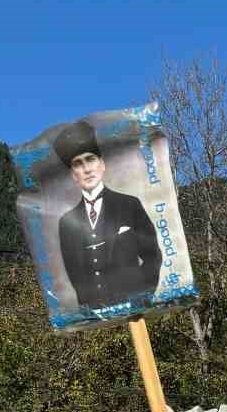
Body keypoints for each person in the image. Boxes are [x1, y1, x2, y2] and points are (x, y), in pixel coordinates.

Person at [53, 120, 162, 311]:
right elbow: (75, 275)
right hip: (97, 318)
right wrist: (90, 310)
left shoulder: (129, 204)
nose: (86, 169)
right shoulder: (66, 223)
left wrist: (142, 297)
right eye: (78, 164)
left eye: (90, 159)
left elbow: (153, 255)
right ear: (73, 174)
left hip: (134, 309)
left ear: (102, 164)